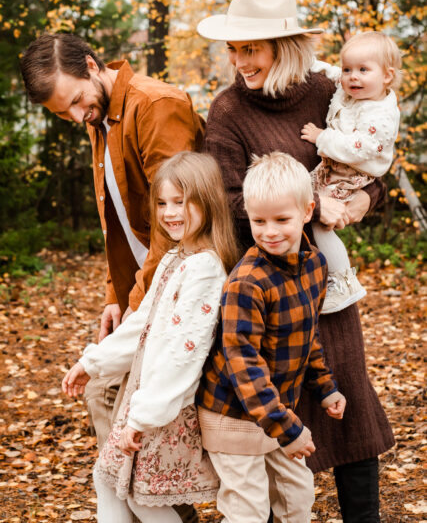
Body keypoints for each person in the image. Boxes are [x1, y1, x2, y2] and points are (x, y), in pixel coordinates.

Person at [197, 0, 395, 522]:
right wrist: (301, 203)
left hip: (327, 281)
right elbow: (230, 198)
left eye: (250, 48)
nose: (239, 60)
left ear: (283, 47)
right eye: (233, 49)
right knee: (286, 403)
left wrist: (359, 201)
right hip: (271, 283)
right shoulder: (228, 111)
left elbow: (373, 156)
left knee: (349, 397)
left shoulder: (332, 87)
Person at [20, 33, 205, 523]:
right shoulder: (99, 119)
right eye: (63, 114)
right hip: (148, 286)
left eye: (77, 101)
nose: (77, 116)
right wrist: (114, 296)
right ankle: (153, 499)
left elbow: (177, 224)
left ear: (91, 63)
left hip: (186, 283)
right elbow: (118, 220)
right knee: (102, 394)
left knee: (106, 391)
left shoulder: (155, 106)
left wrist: (141, 306)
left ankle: (162, 503)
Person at [62, 151, 239, 523]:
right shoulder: (177, 258)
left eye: (180, 202)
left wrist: (143, 417)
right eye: (162, 203)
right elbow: (141, 325)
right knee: (109, 480)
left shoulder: (205, 270)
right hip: (143, 400)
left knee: (140, 498)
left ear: (206, 201)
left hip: (163, 408)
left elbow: (183, 354)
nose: (169, 212)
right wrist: (92, 363)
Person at [197, 152, 346, 523]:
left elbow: (307, 334)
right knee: (248, 509)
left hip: (277, 410)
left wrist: (324, 387)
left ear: (308, 211)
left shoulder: (314, 266)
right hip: (232, 414)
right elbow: (242, 364)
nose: (270, 231)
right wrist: (288, 428)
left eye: (282, 219)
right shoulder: (247, 282)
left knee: (298, 497)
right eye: (259, 220)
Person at [301, 31, 401, 312]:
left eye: (362, 70)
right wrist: (313, 63)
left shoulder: (379, 115)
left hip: (350, 174)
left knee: (320, 221)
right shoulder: (356, 90)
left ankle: (342, 280)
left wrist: (322, 137)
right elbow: (335, 74)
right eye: (348, 69)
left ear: (387, 76)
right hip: (335, 169)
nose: (352, 77)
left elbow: (358, 148)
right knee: (301, 196)